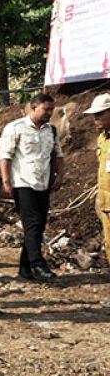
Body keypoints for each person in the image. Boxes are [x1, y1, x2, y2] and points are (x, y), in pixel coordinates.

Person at [0, 94, 64, 281]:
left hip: (43, 183)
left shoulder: (50, 131)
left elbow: (58, 155)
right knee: (32, 223)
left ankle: (25, 269)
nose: (49, 113)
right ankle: (37, 263)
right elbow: (5, 156)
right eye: (46, 109)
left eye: (51, 110)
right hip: (22, 182)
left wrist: (59, 176)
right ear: (33, 107)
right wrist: (6, 181)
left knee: (38, 225)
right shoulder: (15, 128)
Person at [86, 94, 110, 264]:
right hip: (106, 201)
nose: (95, 118)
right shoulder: (102, 138)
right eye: (94, 115)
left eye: (100, 114)